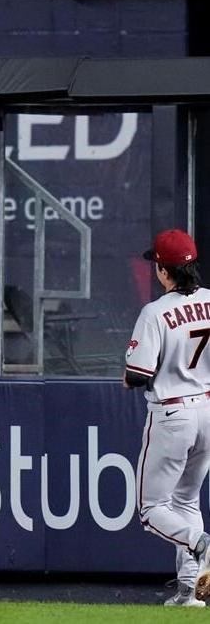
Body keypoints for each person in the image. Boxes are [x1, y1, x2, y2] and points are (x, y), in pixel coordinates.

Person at [125, 229, 210, 606]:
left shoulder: (155, 312)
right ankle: (189, 592)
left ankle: (201, 544)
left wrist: (128, 377)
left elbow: (137, 374)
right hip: (208, 408)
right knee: (187, 501)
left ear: (163, 271)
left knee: (151, 510)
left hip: (173, 412)